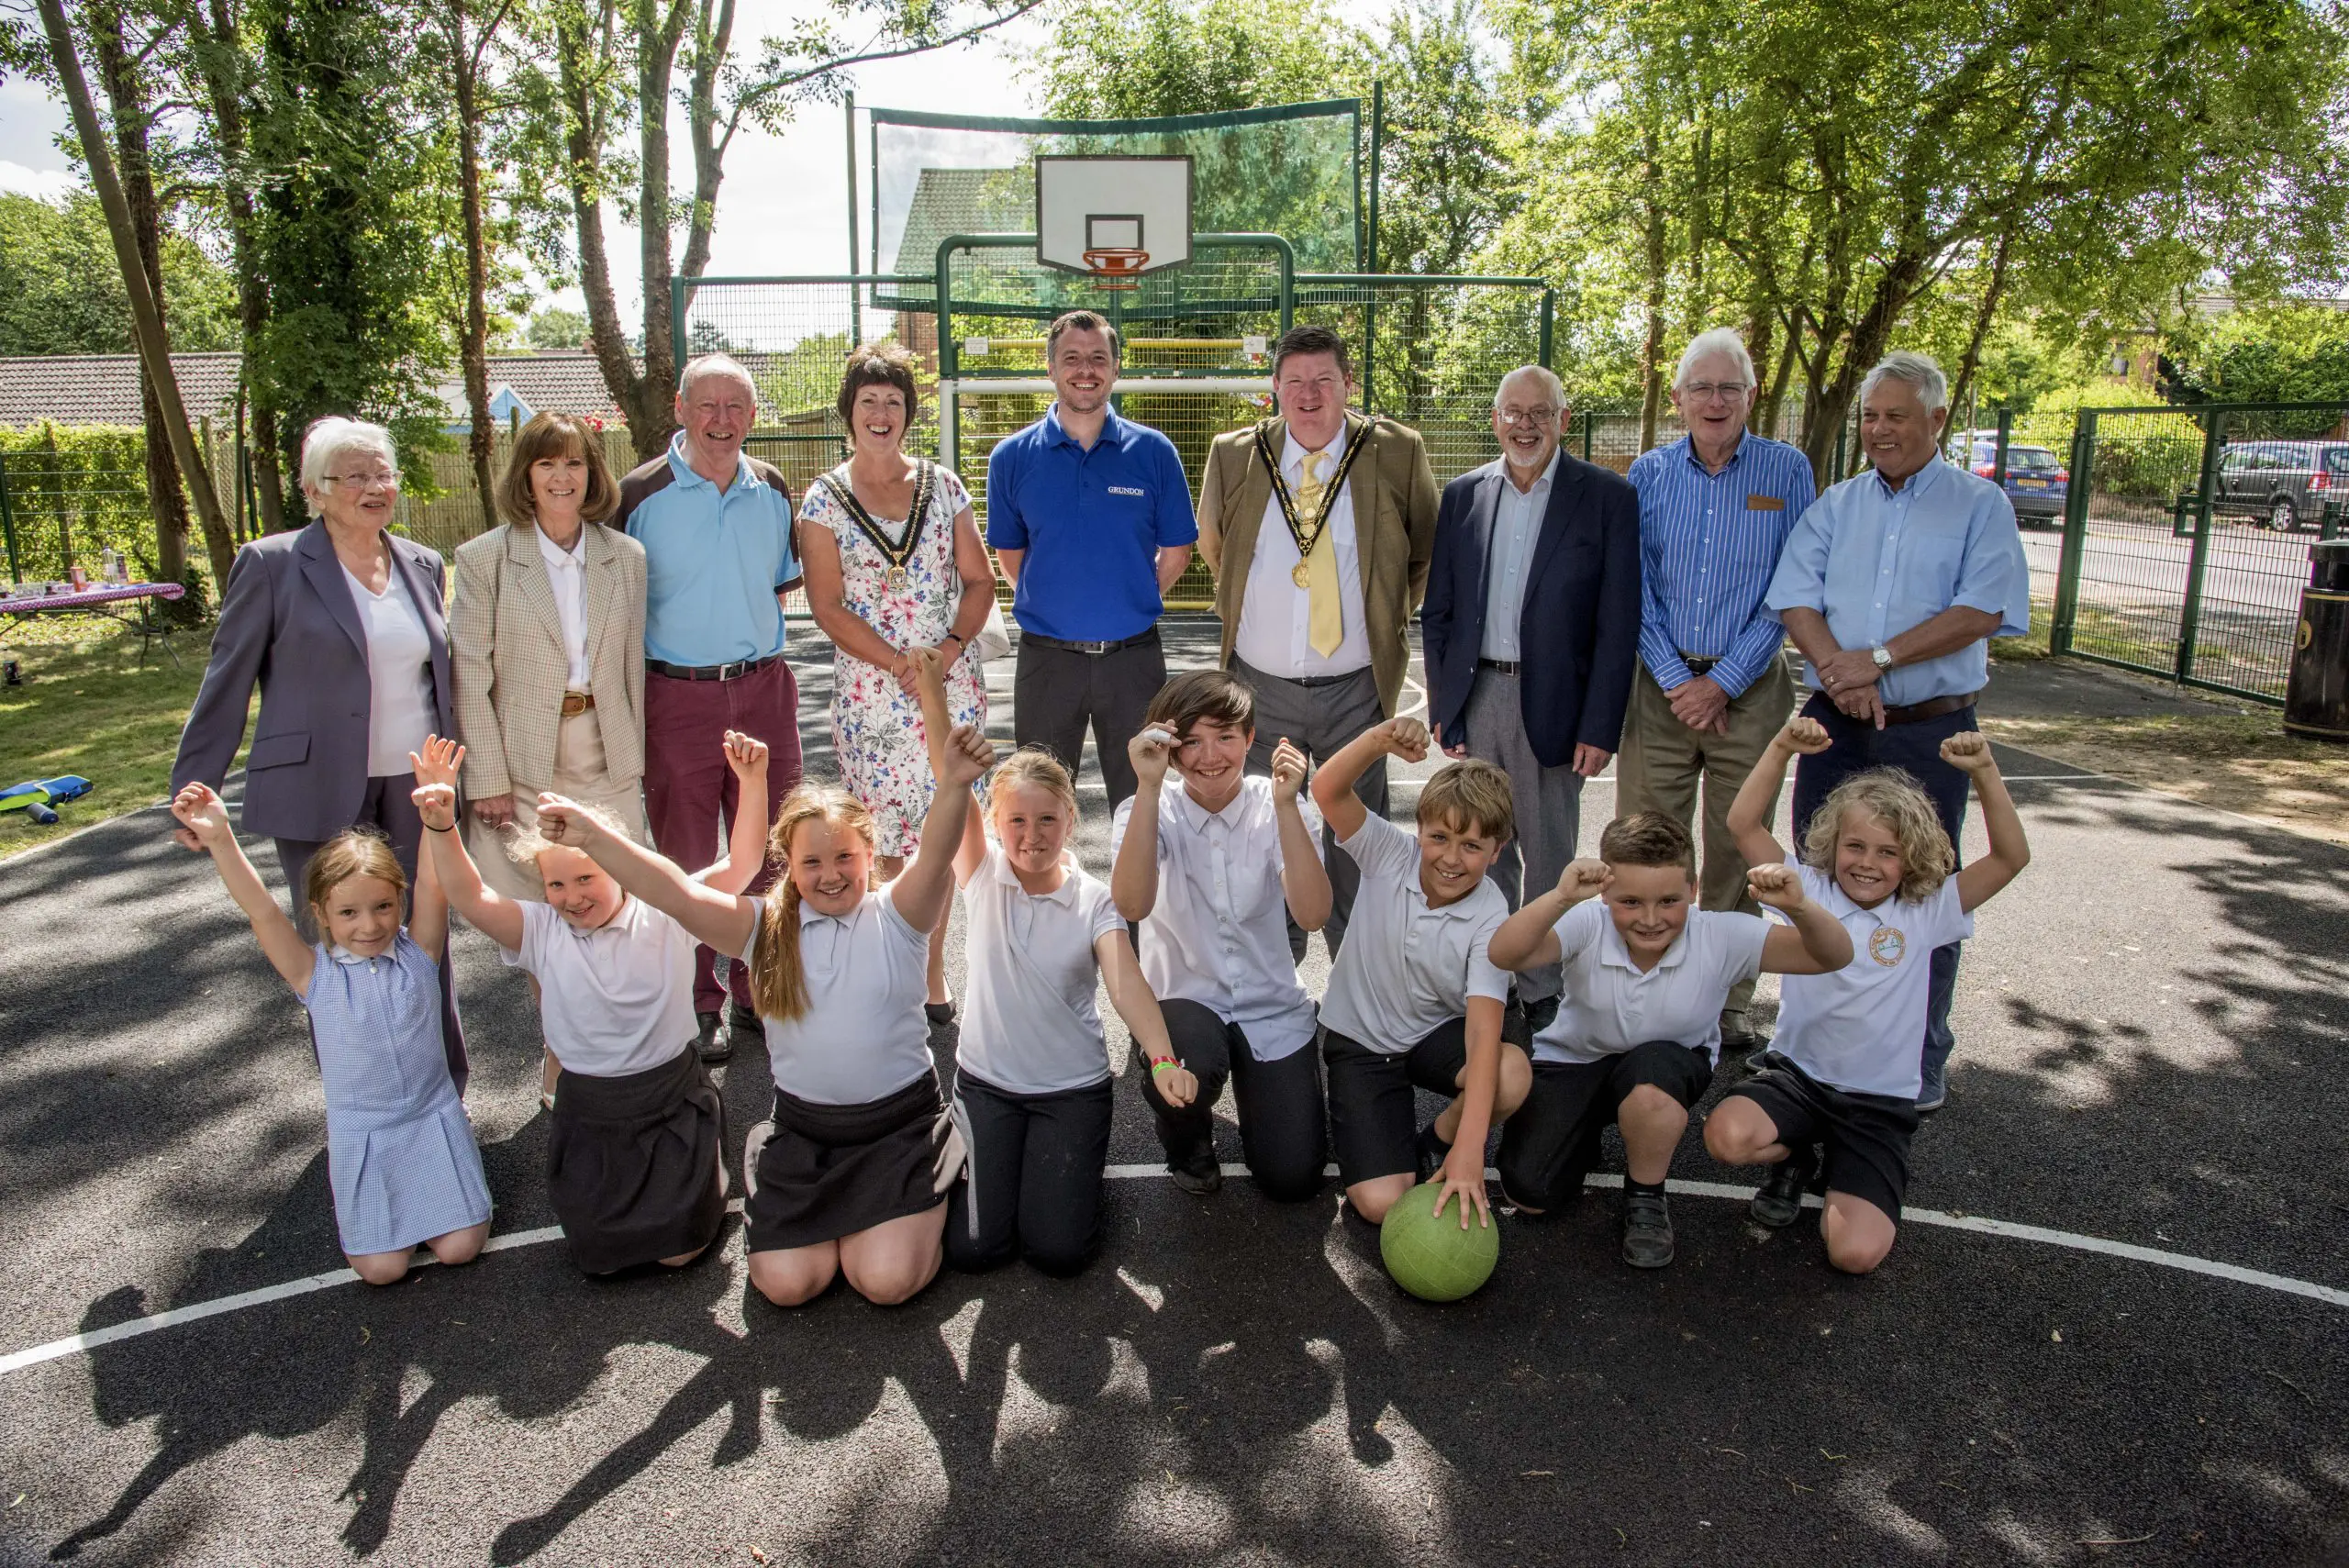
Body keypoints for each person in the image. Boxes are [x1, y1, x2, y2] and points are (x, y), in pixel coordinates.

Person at [534, 653, 994, 1308]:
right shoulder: (763, 927)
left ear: (869, 854)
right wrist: (594, 840)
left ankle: (923, 1180)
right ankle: (797, 1185)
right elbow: (669, 890)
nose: (831, 874)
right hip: (806, 1134)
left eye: (845, 858)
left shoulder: (899, 913)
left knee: (885, 1282)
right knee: (786, 1285)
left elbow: (941, 843)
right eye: (812, 861)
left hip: (896, 1129)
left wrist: (955, 784)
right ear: (789, 863)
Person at [1764, 350, 2030, 1111]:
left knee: (1924, 892)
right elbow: (1795, 598)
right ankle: (1808, 1045)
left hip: (1929, 734)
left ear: (1937, 420)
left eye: (1896, 416)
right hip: (1834, 728)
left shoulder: (1981, 506)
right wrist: (1836, 673)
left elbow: (1982, 609)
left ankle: (1920, 1051)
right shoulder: (1838, 504)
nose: (1879, 429)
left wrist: (1872, 661)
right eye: (1870, 416)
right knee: (1818, 882)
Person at [171, 415, 467, 1090]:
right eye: (354, 475)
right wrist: (194, 789)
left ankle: (443, 1087)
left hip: (415, 785)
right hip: (316, 785)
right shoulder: (272, 563)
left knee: (427, 941)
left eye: (382, 473)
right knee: (340, 948)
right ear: (316, 488)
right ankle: (361, 1094)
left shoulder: (423, 563)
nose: (374, 486)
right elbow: (227, 679)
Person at [411, 732, 775, 1275]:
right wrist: (441, 823)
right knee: (600, 1262)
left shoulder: (667, 911)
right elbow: (470, 895)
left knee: (681, 1253)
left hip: (669, 1096)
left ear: (620, 869)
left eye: (587, 877)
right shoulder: (538, 929)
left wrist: (751, 781)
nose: (572, 895)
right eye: (556, 883)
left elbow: (743, 863)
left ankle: (709, 1164)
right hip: (591, 1111)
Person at [1709, 720, 2031, 1273]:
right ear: (1832, 845)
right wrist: (1780, 745)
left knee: (1855, 1256)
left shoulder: (1928, 909)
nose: (1867, 862)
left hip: (1878, 1102)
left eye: (1887, 852)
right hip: (1800, 1079)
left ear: (1912, 859)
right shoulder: (1809, 888)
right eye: (1854, 845)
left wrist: (1984, 771)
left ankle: (1848, 1161)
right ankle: (1795, 1158)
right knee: (1727, 1137)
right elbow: (1742, 823)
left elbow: (2010, 858)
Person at [1486, 813, 1853, 1268]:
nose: (1650, 918)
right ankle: (1584, 1133)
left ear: (1694, 889)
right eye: (1631, 901)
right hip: (1577, 1060)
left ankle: (1646, 1196)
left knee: (1651, 1078)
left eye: (1669, 900)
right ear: (1605, 893)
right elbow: (1504, 953)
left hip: (1664, 1068)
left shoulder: (1721, 935)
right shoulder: (1588, 921)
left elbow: (1834, 955)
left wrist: (1800, 908)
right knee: (1532, 1195)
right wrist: (1560, 897)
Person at [169, 780, 490, 1286]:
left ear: (399, 900)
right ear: (320, 914)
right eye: (348, 912)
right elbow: (262, 910)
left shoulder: (420, 955)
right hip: (364, 1135)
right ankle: (390, 1221)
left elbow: (433, 884)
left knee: (461, 1250)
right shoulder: (312, 974)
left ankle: (438, 1210)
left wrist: (435, 816)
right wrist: (221, 840)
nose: (370, 924)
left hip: (432, 1120)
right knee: (382, 1271)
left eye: (383, 906)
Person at [1197, 324, 1440, 955]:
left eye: (1323, 381)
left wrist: (1382, 616)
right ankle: (1273, 996)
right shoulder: (1234, 453)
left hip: (1355, 692)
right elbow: (1216, 548)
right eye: (1295, 381)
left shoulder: (1395, 450)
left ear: (1348, 384)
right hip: (1260, 690)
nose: (1309, 395)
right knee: (1266, 841)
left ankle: (1356, 1008)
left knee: (1356, 846)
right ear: (1275, 387)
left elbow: (1423, 555)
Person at [1422, 363, 1640, 1028]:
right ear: (1495, 420)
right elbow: (1439, 613)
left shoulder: (1605, 498)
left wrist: (1600, 725)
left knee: (1547, 853)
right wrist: (1443, 708)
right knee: (1477, 848)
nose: (1525, 424)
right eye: (1513, 412)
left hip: (1555, 706)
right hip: (1478, 690)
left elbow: (1617, 623)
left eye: (1540, 412)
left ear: (1563, 421)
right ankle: (1484, 973)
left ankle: (1544, 992)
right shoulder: (1463, 496)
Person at [1620, 330, 1818, 1053]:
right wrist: (1678, 679)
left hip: (1753, 687)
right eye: (1699, 388)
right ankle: (1645, 983)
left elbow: (1793, 587)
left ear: (1751, 395)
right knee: (1649, 841)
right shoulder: (1647, 474)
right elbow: (1633, 587)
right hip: (1659, 688)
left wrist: (1724, 681)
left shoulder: (1788, 470)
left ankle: (1728, 1002)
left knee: (1740, 849)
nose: (1714, 400)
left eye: (1728, 387)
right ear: (1676, 400)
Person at [451, 411, 648, 1106]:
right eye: (546, 464)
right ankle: (561, 1054)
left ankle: (625, 1050)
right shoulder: (483, 560)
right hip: (524, 760)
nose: (562, 477)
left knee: (619, 902)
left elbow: (629, 669)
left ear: (593, 473)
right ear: (525, 477)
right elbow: (470, 672)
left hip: (605, 749)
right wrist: (489, 779)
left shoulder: (626, 556)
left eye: (574, 463)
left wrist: (635, 762)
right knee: (544, 915)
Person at [942, 739, 1194, 1277]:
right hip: (987, 1086)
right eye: (1016, 821)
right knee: (974, 1251)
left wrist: (1164, 1059)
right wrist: (936, 693)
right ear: (993, 822)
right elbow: (953, 778)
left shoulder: (1093, 898)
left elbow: (1126, 985)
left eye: (1047, 819)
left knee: (1059, 1253)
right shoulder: (982, 873)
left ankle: (1068, 1171)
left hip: (1070, 1091)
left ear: (1071, 819)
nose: (1032, 836)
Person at [799, 342, 996, 1024]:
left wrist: (943, 652)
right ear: (848, 413)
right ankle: (893, 969)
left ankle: (934, 973)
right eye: (867, 402)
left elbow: (979, 579)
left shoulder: (944, 486)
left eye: (893, 402)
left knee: (941, 831)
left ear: (908, 414)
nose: (880, 413)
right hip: (872, 695)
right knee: (884, 842)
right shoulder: (823, 498)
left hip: (947, 685)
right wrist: (895, 664)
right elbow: (826, 605)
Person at [617, 352, 805, 1064]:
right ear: (680, 408)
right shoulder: (639, 494)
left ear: (753, 416)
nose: (722, 421)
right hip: (677, 693)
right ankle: (702, 1000)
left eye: (736, 407)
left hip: (763, 686)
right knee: (689, 853)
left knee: (769, 843)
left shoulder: (773, 488)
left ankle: (762, 985)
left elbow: (778, 588)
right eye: (708, 405)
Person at [1110, 670, 1332, 1200]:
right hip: (1188, 1005)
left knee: (1292, 1177)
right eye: (1191, 741)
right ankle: (1187, 1142)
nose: (1210, 756)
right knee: (1188, 1054)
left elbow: (1313, 914)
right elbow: (1132, 904)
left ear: (1250, 738)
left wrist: (1285, 808)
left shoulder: (1279, 802)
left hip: (1270, 1005)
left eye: (1226, 736)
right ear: (1167, 746)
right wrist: (1147, 785)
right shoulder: (1146, 807)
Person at [1308, 716, 1531, 1229]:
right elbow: (1327, 789)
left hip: (1437, 1033)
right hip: (1363, 1041)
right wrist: (1378, 740)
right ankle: (1383, 1138)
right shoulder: (1389, 851)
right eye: (1439, 838)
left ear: (1497, 852)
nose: (1451, 859)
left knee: (1509, 1075)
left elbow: (1480, 1035)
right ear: (1419, 831)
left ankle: (1436, 1142)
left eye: (1473, 846)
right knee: (1381, 1205)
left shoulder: (1492, 915)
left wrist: (1469, 1154)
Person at [986, 310, 1196, 807]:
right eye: (1072, 358)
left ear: (1116, 368)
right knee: (1040, 804)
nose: (1086, 369)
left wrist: (1129, 601)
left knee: (1140, 802)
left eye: (1098, 358)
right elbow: (1010, 557)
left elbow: (1178, 551)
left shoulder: (1154, 452)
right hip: (1047, 663)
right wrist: (1060, 608)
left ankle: (1138, 891)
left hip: (1133, 662)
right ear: (1051, 368)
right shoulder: (1011, 457)